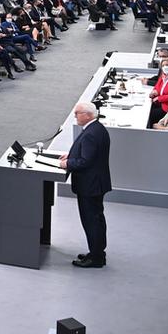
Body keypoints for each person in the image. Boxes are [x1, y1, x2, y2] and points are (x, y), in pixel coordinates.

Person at [60, 102, 111, 268]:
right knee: (96, 219)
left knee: (91, 221)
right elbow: (89, 154)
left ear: (88, 115)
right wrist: (71, 154)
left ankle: (96, 258)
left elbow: (85, 161)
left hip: (90, 184)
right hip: (97, 182)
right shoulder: (97, 128)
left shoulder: (90, 133)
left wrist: (67, 163)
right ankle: (97, 252)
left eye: (78, 113)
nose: (75, 116)